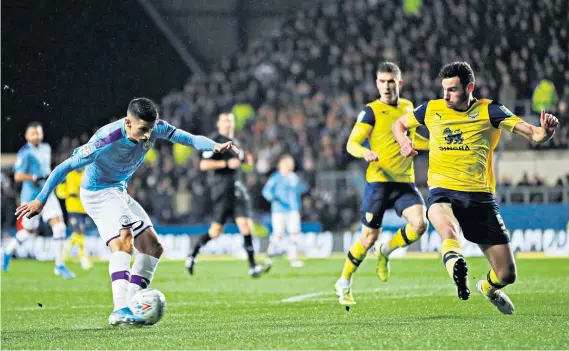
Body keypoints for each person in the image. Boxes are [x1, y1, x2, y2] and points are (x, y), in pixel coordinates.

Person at [15, 98, 237, 325]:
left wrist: (214, 146)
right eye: (143, 130)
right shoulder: (105, 139)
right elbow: (65, 166)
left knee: (153, 248)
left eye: (150, 130)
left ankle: (131, 306)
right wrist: (40, 200)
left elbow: (187, 138)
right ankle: (119, 309)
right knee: (125, 238)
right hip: (97, 193)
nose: (148, 136)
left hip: (119, 192)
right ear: (128, 123)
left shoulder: (155, 127)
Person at [392, 62, 559, 314]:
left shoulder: (490, 111)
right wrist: (404, 142)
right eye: (444, 89)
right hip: (442, 190)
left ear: (469, 87)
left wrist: (546, 131)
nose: (446, 96)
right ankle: (458, 268)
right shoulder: (430, 109)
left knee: (507, 274)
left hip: (479, 197)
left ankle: (488, 287)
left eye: (453, 90)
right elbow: (399, 125)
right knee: (447, 229)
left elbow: (534, 134)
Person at [334, 62, 429, 308]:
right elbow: (351, 143)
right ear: (377, 84)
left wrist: (437, 145)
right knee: (368, 237)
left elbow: (415, 138)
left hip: (404, 182)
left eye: (390, 81)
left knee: (420, 224)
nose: (386, 86)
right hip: (378, 182)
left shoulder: (409, 107)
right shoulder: (371, 111)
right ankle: (344, 282)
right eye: (382, 82)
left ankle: (386, 250)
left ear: (399, 83)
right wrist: (365, 153)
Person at [185, 113, 270, 278]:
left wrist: (247, 160)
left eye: (231, 121)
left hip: (237, 189)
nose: (229, 124)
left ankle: (253, 267)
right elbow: (203, 164)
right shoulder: (215, 142)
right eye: (225, 121)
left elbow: (242, 160)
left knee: (246, 226)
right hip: (222, 191)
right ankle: (192, 254)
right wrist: (225, 163)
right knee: (216, 231)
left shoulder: (235, 143)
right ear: (219, 124)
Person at [3, 122, 75, 279]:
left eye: (39, 133)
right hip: (30, 198)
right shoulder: (24, 153)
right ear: (27, 136)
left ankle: (60, 265)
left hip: (47, 194)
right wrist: (34, 177)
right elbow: (18, 176)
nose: (37, 136)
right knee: (27, 232)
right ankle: (7, 252)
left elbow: (47, 171)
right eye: (33, 134)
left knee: (60, 227)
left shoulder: (46, 148)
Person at [262, 154, 309, 268]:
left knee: (294, 234)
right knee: (277, 234)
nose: (290, 166)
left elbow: (303, 188)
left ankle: (293, 258)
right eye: (288, 163)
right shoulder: (275, 177)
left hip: (293, 210)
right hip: (279, 210)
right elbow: (266, 191)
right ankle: (269, 257)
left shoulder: (294, 177)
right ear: (281, 164)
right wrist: (274, 198)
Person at [56, 167, 93, 270]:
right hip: (72, 208)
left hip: (84, 208)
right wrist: (69, 194)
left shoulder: (87, 175)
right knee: (80, 231)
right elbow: (59, 192)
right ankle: (83, 258)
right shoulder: (68, 175)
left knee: (79, 233)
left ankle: (66, 247)